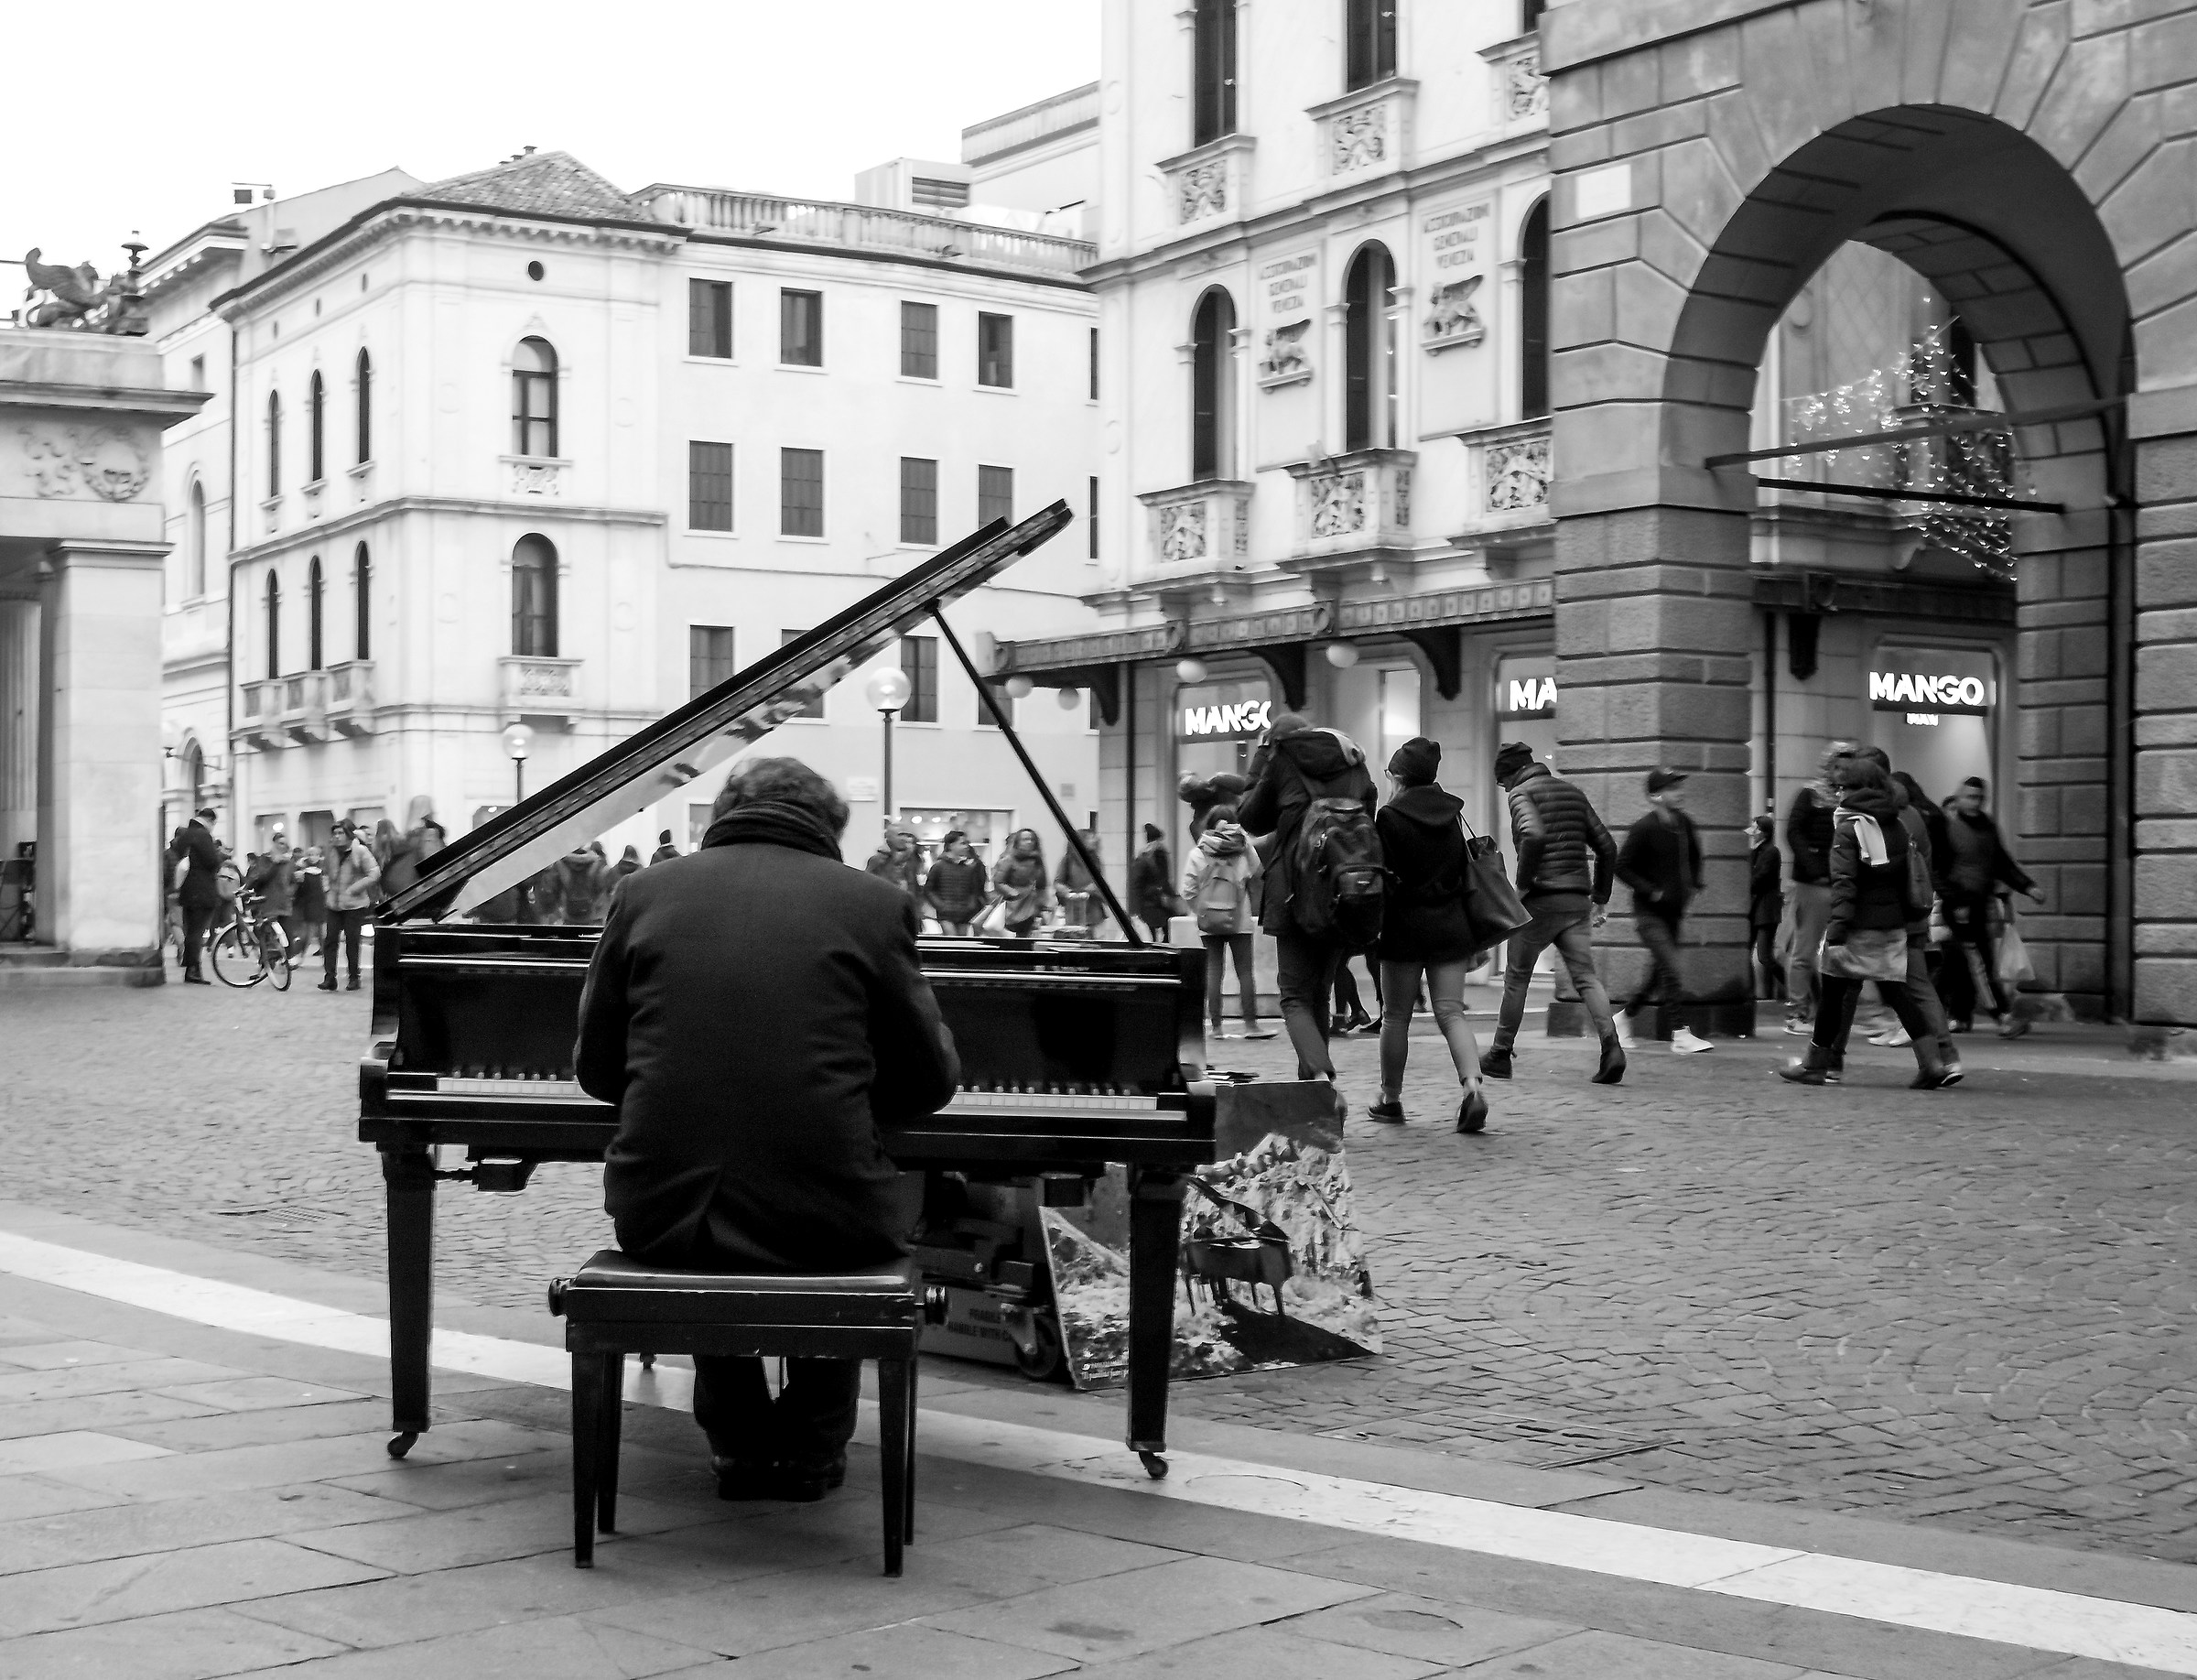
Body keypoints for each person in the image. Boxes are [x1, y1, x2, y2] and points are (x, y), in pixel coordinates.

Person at [577, 756, 958, 1501]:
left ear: (723, 811)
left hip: (665, 1209)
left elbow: (596, 1068)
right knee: (842, 1217)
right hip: (828, 1208)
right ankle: (812, 1444)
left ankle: (737, 1435)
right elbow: (928, 1083)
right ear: (831, 828)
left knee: (713, 1218)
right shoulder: (874, 903)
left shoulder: (642, 892)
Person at [1778, 758, 1952, 1089]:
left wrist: (1838, 932)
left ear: (1853, 789)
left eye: (1843, 787)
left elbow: (1846, 884)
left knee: (1832, 992)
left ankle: (1816, 1064)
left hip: (1858, 926)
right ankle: (1932, 1062)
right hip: (1892, 924)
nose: (1839, 793)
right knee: (1898, 993)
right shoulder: (1895, 824)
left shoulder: (1851, 826)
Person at [1237, 711, 1377, 1095]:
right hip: (1342, 890)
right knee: (1320, 991)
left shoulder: (1283, 761)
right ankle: (1312, 1091)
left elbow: (1249, 817)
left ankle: (1319, 1077)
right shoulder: (1354, 762)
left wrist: (1263, 760)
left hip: (1293, 891)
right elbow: (1371, 815)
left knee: (1294, 995)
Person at [1480, 743, 1624, 1086]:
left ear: (1511, 775)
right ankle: (1612, 1048)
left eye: (1502, 783)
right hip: (1576, 899)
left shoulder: (1521, 794)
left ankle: (1500, 1054)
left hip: (1541, 900)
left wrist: (1523, 886)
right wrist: (1600, 898)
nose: (1505, 791)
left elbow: (1533, 834)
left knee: (1517, 977)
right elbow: (1607, 846)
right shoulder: (1572, 792)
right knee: (1586, 977)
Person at [1366, 739, 1491, 1132]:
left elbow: (1383, 876)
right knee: (1451, 1012)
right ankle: (1472, 1088)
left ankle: (1390, 1099)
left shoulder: (1388, 817)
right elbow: (1459, 869)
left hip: (1404, 927)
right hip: (1450, 925)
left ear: (1398, 776)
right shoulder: (1452, 813)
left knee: (1396, 1016)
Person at [1614, 768, 1712, 1054]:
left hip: (1674, 912)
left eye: (1679, 786)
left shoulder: (1685, 824)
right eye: (1672, 788)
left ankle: (1623, 1018)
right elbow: (1622, 866)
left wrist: (1693, 885)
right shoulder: (1644, 828)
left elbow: (1695, 857)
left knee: (1658, 975)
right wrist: (1652, 891)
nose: (1679, 792)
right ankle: (1680, 1033)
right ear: (1656, 795)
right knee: (1671, 967)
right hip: (1649, 914)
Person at [1938, 775, 2043, 1036]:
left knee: (1960, 964)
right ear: (1959, 798)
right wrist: (1956, 900)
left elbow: (2001, 863)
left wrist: (2027, 886)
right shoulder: (1949, 828)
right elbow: (1937, 870)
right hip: (1960, 906)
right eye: (1970, 797)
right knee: (1979, 962)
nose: (1975, 802)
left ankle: (1948, 1014)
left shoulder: (1987, 828)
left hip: (1977, 904)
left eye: (1979, 798)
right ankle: (2002, 1016)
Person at [1181, 803, 1272, 1040]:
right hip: (1239, 918)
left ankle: (1217, 1027)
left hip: (1208, 920)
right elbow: (1260, 874)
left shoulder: (1198, 852)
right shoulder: (1244, 848)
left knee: (1213, 972)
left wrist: (1201, 909)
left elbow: (1188, 889)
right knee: (1244, 972)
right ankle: (1251, 1026)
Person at [1782, 742, 1853, 1035]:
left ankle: (1835, 1011)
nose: (1843, 773)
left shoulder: (1852, 799)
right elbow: (1793, 833)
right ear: (1828, 766)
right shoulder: (1810, 795)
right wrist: (1815, 869)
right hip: (1815, 885)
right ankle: (1798, 1011)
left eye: (1849, 768)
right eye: (1838, 766)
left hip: (1843, 884)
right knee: (1805, 949)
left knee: (1842, 951)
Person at [318, 820, 382, 991]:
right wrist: (326, 890)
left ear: (349, 834)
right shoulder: (331, 852)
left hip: (354, 905)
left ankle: (354, 977)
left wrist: (355, 888)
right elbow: (324, 873)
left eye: (340, 833)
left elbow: (374, 873)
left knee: (352, 942)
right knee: (330, 941)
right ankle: (330, 977)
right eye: (335, 834)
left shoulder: (359, 851)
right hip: (334, 904)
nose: (337, 837)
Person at [167, 807, 225, 984]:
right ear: (211, 821)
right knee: (197, 932)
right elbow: (212, 861)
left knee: (191, 929)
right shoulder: (203, 835)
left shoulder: (185, 835)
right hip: (202, 890)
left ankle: (191, 968)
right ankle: (193, 970)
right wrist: (218, 859)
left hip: (188, 890)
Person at [923, 830, 989, 935]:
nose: (966, 846)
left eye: (967, 843)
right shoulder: (939, 866)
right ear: (951, 845)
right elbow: (929, 890)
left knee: (962, 943)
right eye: (962, 843)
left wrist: (971, 906)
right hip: (946, 914)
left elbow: (973, 890)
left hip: (964, 915)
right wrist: (941, 906)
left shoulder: (969, 868)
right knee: (951, 940)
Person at [1748, 816, 1785, 1003]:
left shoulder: (1771, 852)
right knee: (1746, 952)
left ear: (1764, 832)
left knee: (1764, 956)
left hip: (1766, 910)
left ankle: (1789, 986)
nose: (1752, 834)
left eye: (1755, 830)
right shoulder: (1756, 851)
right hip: (1755, 910)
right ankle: (1749, 993)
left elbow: (1760, 878)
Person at [990, 829, 1049, 938]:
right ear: (1018, 842)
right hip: (1013, 906)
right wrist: (1014, 894)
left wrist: (1043, 905)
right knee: (1012, 937)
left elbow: (1042, 885)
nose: (1029, 842)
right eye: (1025, 839)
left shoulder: (1037, 860)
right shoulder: (1009, 859)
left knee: (1028, 938)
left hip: (1032, 905)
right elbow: (999, 881)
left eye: (1032, 839)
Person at [1128, 823, 1179, 942]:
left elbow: (1165, 880)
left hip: (1155, 903)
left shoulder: (1153, 856)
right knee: (1155, 933)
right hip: (1150, 903)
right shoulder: (1148, 858)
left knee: (1162, 931)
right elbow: (1137, 885)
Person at [1054, 831, 1109, 934]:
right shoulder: (1068, 860)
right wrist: (1069, 892)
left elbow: (1100, 881)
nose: (1093, 841)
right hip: (1074, 907)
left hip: (1093, 907)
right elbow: (1058, 882)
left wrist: (1093, 888)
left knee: (1095, 939)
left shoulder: (1096, 860)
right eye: (1090, 838)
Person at [550, 842, 611, 925]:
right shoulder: (595, 862)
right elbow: (600, 886)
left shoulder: (561, 863)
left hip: (568, 912)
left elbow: (554, 887)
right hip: (589, 912)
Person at [864, 825, 924, 896]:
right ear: (889, 837)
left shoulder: (911, 858)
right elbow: (867, 882)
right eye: (900, 835)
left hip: (906, 899)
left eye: (906, 835)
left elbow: (914, 884)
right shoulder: (878, 859)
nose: (903, 838)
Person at [293, 845, 328, 956]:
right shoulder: (320, 873)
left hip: (313, 904)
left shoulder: (303, 873)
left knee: (313, 932)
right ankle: (323, 955)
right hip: (315, 903)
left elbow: (298, 891)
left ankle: (301, 956)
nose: (313, 857)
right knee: (315, 931)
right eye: (311, 855)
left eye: (315, 855)